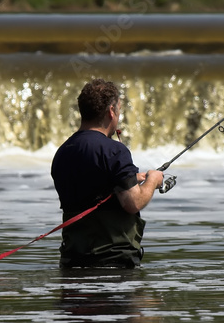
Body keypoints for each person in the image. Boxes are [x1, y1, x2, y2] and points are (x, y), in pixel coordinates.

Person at [51, 79, 164, 268]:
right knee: (157, 299)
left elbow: (92, 188)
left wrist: (132, 179)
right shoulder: (114, 151)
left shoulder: (63, 152)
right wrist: (153, 180)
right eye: (118, 110)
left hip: (72, 261)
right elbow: (133, 203)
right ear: (111, 111)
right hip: (112, 263)